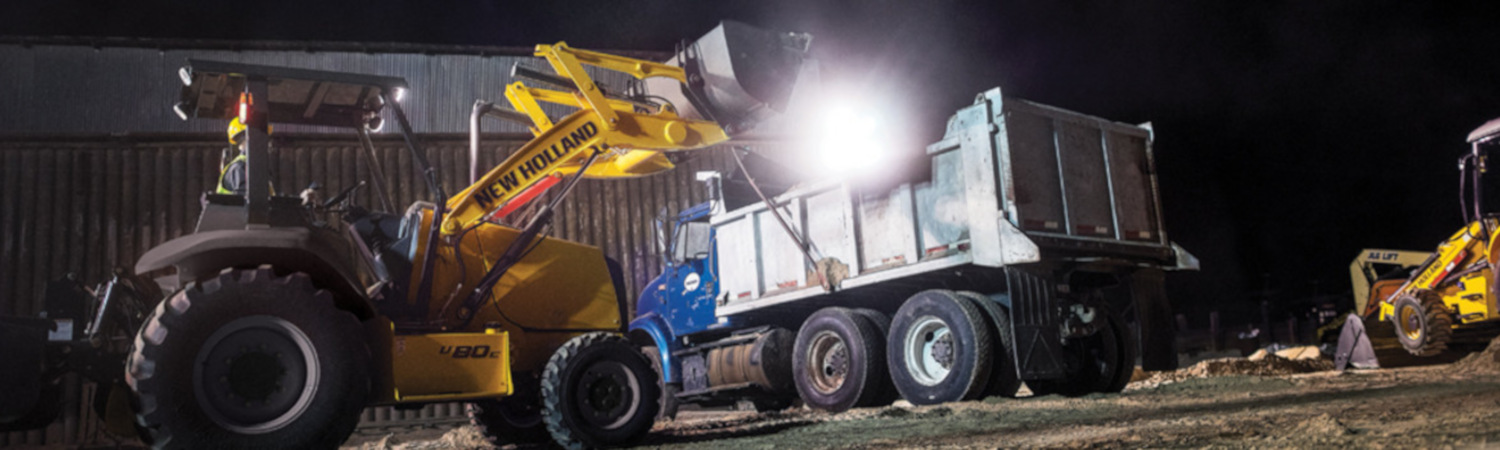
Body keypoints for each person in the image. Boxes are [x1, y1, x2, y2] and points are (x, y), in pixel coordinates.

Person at [217, 118, 274, 194]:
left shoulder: (253, 167)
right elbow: (246, 202)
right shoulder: (240, 168)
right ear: (249, 138)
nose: (268, 143)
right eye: (262, 137)